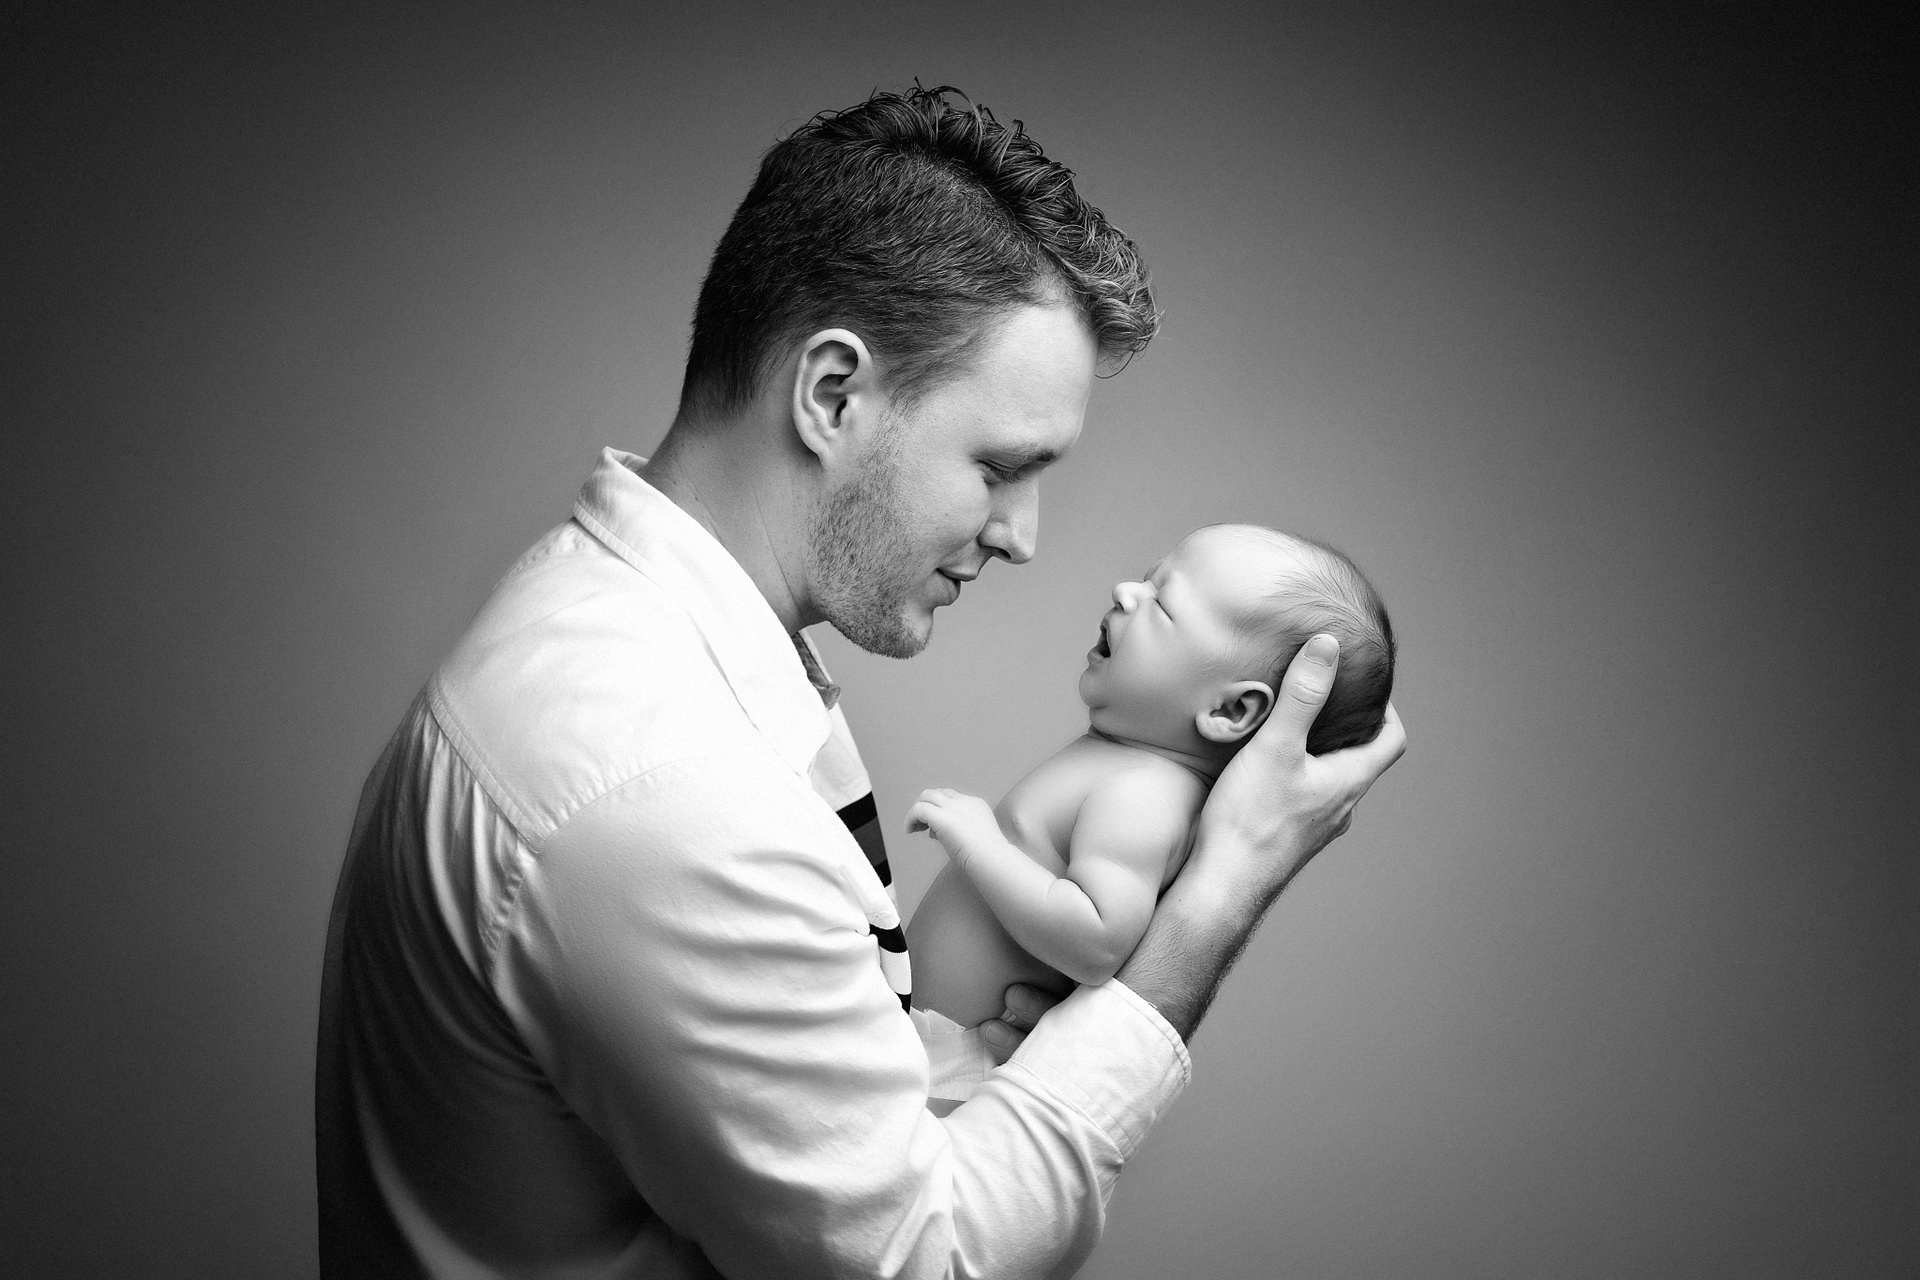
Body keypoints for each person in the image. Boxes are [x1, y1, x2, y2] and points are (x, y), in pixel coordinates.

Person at [316, 87, 1405, 1280]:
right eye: (1000, 466)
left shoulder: (642, 646)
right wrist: (1217, 900)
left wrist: (962, 1080)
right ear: (832, 394)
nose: (1024, 536)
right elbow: (926, 1263)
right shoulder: (669, 788)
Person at [904, 525, 1394, 1111]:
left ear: (1231, 709)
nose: (1125, 592)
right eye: (1144, 578)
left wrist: (979, 842)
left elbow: (1095, 940)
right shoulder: (1127, 765)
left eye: (1162, 604)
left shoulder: (1144, 794)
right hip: (919, 1037)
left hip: (948, 1063)